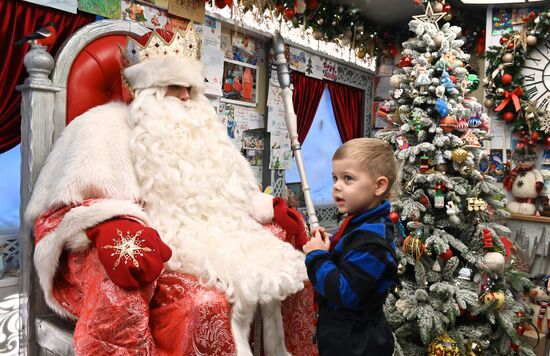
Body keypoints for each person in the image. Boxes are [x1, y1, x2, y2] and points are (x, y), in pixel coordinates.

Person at [26, 25, 314, 356]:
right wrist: (109, 222)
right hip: (158, 248)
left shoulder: (205, 134)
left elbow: (232, 193)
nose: (185, 96)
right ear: (145, 90)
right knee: (204, 302)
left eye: (190, 88)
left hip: (210, 239)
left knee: (293, 270)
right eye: (173, 87)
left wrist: (264, 206)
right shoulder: (101, 129)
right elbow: (59, 210)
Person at [303, 138, 399, 356]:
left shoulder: (373, 241)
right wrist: (329, 248)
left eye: (348, 179)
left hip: (357, 345)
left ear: (379, 186)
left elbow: (345, 292)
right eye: (335, 177)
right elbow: (347, 260)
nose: (337, 186)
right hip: (342, 338)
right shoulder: (359, 224)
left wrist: (318, 256)